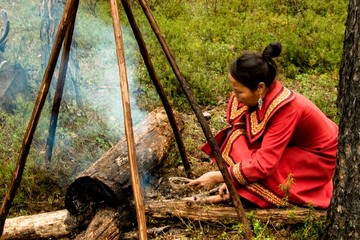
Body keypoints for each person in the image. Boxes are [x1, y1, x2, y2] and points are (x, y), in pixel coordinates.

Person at [188, 42, 338, 209]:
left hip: (316, 157)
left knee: (262, 173)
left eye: (239, 92)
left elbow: (265, 164)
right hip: (293, 147)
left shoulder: (287, 110)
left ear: (260, 87)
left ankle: (247, 193)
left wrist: (220, 176)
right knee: (237, 138)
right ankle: (241, 189)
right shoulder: (266, 93)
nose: (234, 96)